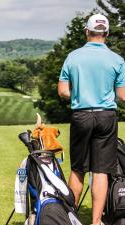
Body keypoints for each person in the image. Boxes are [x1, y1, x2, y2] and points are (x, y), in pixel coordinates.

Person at [58, 14, 125, 225]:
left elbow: (62, 91)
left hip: (81, 115)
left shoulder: (73, 57)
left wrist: (78, 93)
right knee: (101, 171)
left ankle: (70, 218)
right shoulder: (117, 60)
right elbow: (122, 95)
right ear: (106, 33)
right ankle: (96, 222)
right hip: (106, 117)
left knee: (78, 169)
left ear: (87, 32)